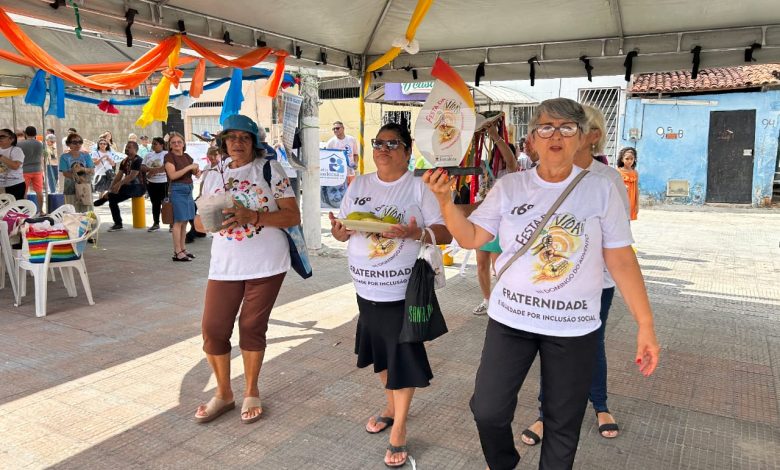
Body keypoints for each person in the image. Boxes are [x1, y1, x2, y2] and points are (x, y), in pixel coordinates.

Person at [422, 98, 660, 470]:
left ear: (581, 137)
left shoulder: (601, 189)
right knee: (487, 409)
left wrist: (645, 323)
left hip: (573, 327)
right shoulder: (510, 186)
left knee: (563, 424)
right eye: (546, 127)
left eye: (567, 128)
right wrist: (444, 201)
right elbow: (470, 237)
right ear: (532, 138)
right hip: (510, 320)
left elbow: (621, 260)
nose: (556, 136)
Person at [329, 123, 451, 468]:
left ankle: (399, 427)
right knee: (381, 354)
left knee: (402, 358)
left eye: (392, 143)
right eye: (378, 143)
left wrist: (416, 232)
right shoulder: (359, 184)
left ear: (408, 151)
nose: (383, 149)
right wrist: (339, 231)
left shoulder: (419, 186)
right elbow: (343, 231)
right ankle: (390, 406)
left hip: (403, 291)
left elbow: (445, 232)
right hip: (365, 288)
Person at [520, 104, 633, 447]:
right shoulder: (545, 173)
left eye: (571, 127)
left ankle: (600, 404)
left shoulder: (608, 179)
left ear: (592, 136)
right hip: (552, 280)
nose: (560, 134)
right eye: (553, 128)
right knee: (550, 344)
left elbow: (618, 241)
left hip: (596, 283)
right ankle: (545, 414)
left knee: (590, 344)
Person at [194, 114, 300, 426]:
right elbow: (198, 224)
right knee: (213, 329)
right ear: (223, 142)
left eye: (244, 137)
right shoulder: (213, 175)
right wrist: (214, 221)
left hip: (267, 262)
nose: (237, 143)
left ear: (254, 142)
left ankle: (252, 389)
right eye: (232, 137)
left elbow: (292, 216)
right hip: (225, 264)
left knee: (252, 326)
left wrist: (252, 216)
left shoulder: (269, 169)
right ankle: (224, 393)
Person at [473, 122, 518, 315]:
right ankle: (487, 300)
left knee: (497, 264)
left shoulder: (510, 174)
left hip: (502, 224)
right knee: (481, 264)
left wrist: (496, 137)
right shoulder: (484, 168)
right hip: (483, 222)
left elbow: (511, 162)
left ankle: (503, 300)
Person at [94, 141, 146, 231]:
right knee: (112, 199)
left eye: (129, 147)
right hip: (128, 187)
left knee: (114, 193)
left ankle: (104, 199)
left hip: (139, 188)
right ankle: (118, 224)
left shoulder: (138, 160)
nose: (126, 149)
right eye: (126, 147)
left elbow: (132, 176)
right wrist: (110, 189)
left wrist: (118, 185)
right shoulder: (124, 161)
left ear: (135, 149)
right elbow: (118, 176)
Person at [164, 132, 200, 261]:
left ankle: (183, 249)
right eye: (173, 142)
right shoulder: (169, 157)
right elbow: (173, 175)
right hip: (177, 190)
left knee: (185, 221)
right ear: (170, 145)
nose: (176, 144)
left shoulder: (187, 156)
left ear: (183, 143)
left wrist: (196, 171)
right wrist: (189, 167)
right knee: (178, 222)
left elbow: (194, 173)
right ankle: (177, 252)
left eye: (179, 142)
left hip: (188, 189)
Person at [59, 133, 94, 213]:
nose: (78, 144)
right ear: (68, 144)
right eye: (74, 142)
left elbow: (92, 171)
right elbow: (65, 173)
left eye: (80, 142)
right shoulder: (64, 157)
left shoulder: (86, 155)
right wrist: (78, 178)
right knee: (71, 211)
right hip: (70, 187)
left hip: (85, 187)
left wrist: (82, 169)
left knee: (87, 211)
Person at [141, 137, 168, 232]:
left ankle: (171, 223)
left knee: (166, 203)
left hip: (164, 182)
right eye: (152, 144)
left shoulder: (166, 154)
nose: (153, 145)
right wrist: (150, 170)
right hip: (152, 183)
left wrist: (152, 172)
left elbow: (166, 167)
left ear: (162, 145)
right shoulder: (148, 155)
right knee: (155, 204)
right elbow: (142, 167)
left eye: (155, 144)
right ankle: (156, 223)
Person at [18, 126, 45, 213]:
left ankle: (24, 211)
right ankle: (41, 211)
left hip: (24, 170)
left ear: (25, 134)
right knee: (39, 191)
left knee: (24, 192)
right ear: (35, 134)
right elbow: (41, 157)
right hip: (37, 170)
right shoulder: (40, 144)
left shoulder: (20, 144)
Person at [0, 128, 26, 200]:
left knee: (15, 206)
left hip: (15, 185)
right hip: (1, 186)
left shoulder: (17, 150)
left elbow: (15, 166)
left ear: (11, 139)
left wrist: (1, 157)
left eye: (2, 137)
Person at [618, 147, 639, 221]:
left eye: (632, 159)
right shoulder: (618, 172)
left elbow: (636, 189)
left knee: (627, 220)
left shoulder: (635, 173)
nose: (629, 161)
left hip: (631, 201)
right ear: (622, 159)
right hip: (620, 201)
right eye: (627, 159)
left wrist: (637, 204)